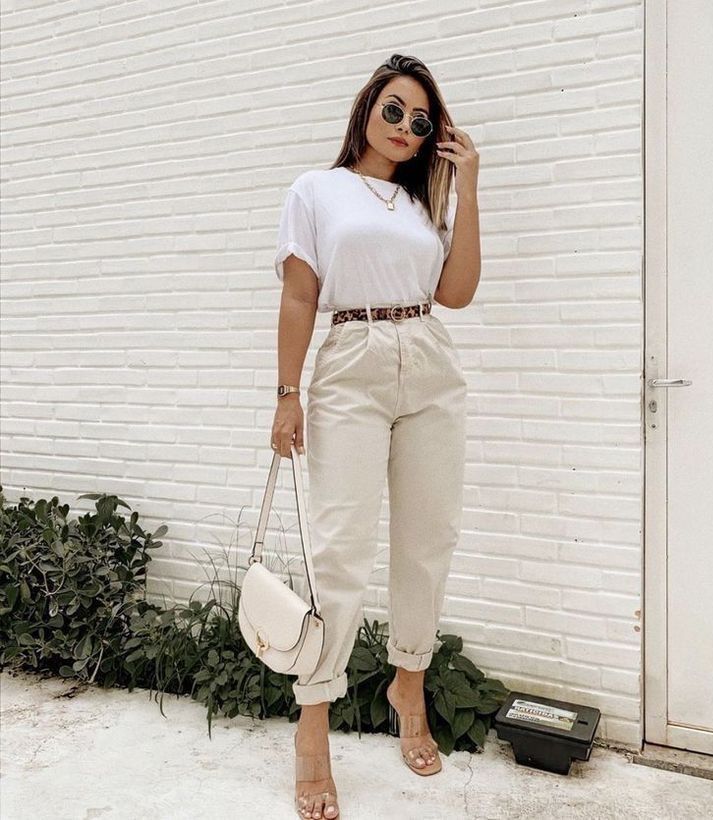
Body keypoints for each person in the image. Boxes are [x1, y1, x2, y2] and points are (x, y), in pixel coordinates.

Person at [271, 53, 481, 820]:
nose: (403, 127)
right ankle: (314, 721)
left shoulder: (427, 201)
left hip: (428, 359)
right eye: (392, 109)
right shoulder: (316, 190)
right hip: (350, 361)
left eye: (419, 120)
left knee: (428, 538)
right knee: (341, 550)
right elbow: (300, 297)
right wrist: (287, 394)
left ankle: (409, 687)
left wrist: (467, 186)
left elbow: (457, 292)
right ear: (366, 109)